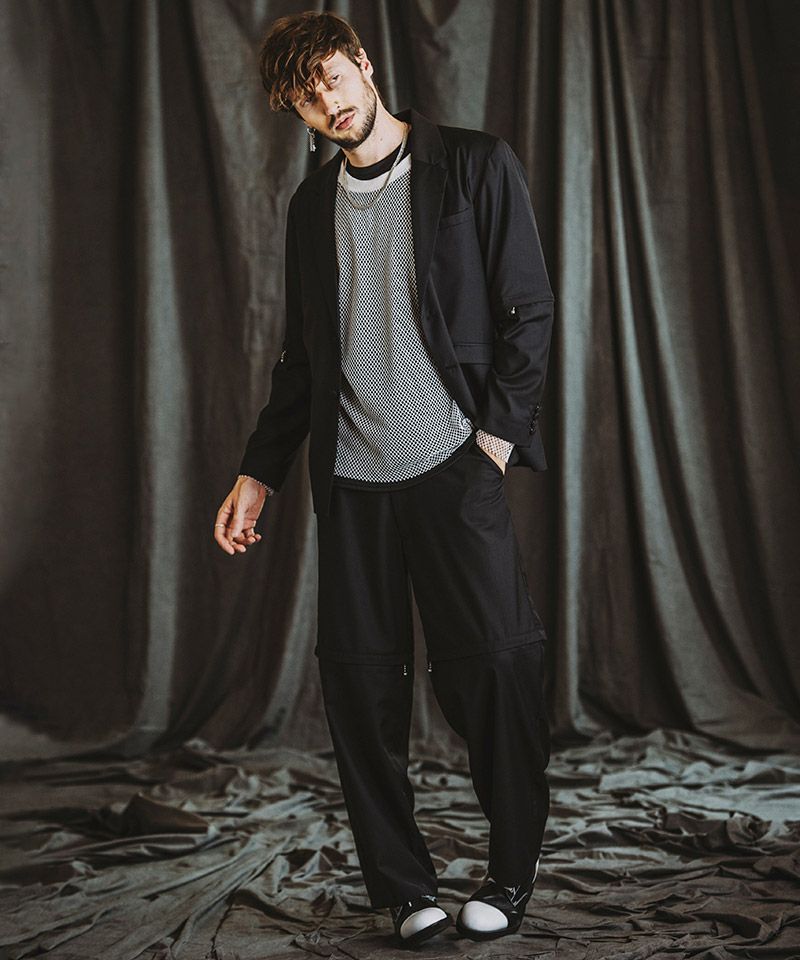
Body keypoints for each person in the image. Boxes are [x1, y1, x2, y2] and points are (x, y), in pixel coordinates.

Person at [213, 11, 554, 949]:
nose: (327, 103)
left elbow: (528, 310)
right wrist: (258, 473)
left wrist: (493, 441)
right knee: (361, 690)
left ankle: (512, 872)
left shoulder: (474, 164)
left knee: (495, 667)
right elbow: (303, 359)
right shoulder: (310, 208)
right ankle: (406, 889)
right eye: (305, 98)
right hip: (354, 479)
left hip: (454, 464)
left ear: (363, 64)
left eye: (332, 78)